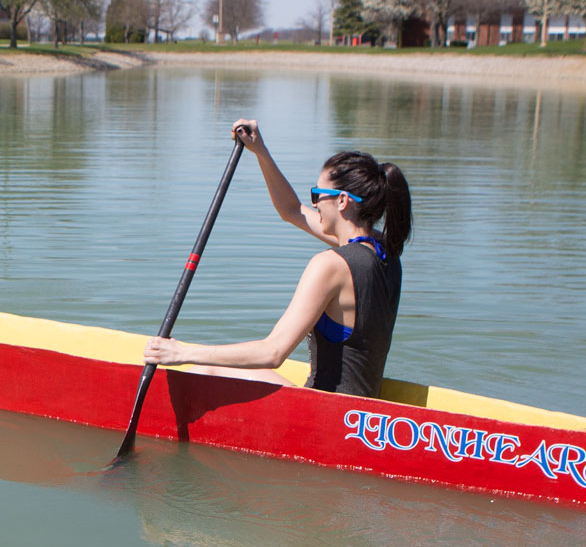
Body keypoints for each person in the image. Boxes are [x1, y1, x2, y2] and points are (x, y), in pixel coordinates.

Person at [143, 119, 413, 397]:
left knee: (202, 370)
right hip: (361, 414)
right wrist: (261, 152)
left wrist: (181, 352)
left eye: (318, 194)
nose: (315, 203)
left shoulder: (331, 265)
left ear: (342, 201)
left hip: (324, 415)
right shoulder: (384, 251)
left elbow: (273, 352)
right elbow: (291, 209)